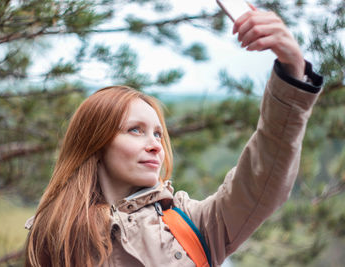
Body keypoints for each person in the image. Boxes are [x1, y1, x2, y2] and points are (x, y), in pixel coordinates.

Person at [24, 6, 323, 267]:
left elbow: (261, 179)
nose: (155, 144)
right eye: (135, 130)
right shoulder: (53, 236)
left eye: (157, 133)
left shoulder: (192, 223)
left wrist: (293, 71)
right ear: (95, 144)